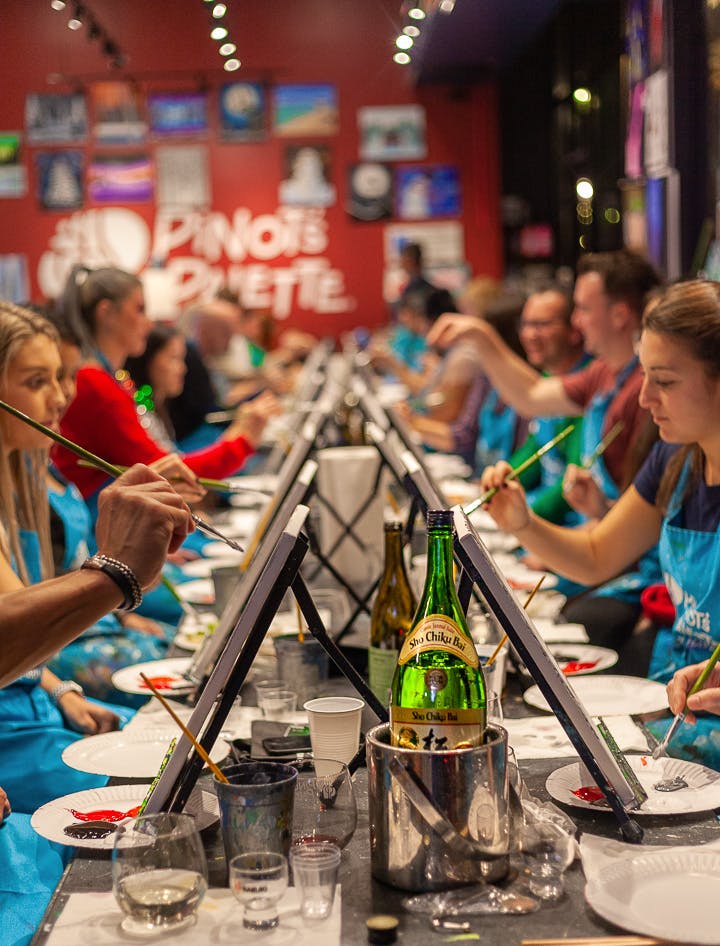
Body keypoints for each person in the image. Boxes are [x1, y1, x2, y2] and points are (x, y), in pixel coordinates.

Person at [478, 280, 720, 768]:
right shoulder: (674, 460)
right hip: (673, 714)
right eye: (645, 376)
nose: (647, 398)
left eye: (666, 381)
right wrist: (523, 522)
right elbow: (596, 557)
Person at [429, 250, 662, 661]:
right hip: (600, 552)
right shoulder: (606, 374)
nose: (576, 321)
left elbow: (620, 540)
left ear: (622, 314)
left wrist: (536, 523)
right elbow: (533, 396)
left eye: (584, 309)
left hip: (630, 574)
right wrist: (481, 336)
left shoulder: (642, 400)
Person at [53, 266, 278, 513]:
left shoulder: (111, 377)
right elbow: (166, 474)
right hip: (103, 526)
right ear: (107, 313)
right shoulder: (94, 382)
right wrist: (242, 439)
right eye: (139, 309)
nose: (148, 323)